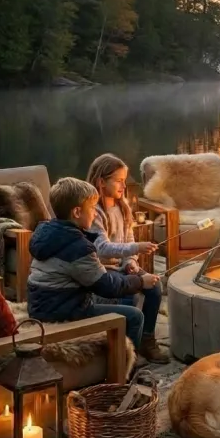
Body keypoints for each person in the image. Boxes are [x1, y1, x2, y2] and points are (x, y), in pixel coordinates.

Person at [26, 176, 168, 363]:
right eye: (92, 208)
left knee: (125, 295)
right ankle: (125, 368)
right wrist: (141, 281)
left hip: (46, 305)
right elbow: (107, 287)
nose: (94, 213)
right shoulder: (77, 246)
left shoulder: (49, 232)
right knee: (135, 317)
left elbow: (80, 272)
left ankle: (119, 349)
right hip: (63, 312)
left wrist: (119, 268)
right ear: (77, 212)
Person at [86, 153, 169, 363]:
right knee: (128, 296)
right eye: (119, 181)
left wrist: (131, 261)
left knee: (155, 287)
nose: (124, 186)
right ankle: (127, 350)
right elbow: (102, 248)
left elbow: (128, 238)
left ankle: (147, 339)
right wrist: (137, 247)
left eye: (124, 180)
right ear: (101, 182)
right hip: (104, 269)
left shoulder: (122, 206)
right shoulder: (94, 212)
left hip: (122, 266)